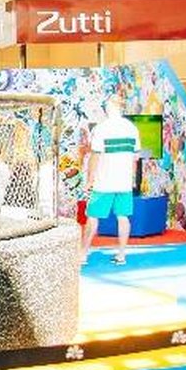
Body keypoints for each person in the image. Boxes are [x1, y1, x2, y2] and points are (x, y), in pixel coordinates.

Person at [80, 97, 143, 265]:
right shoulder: (132, 128)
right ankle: (121, 255)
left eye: (106, 104)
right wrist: (131, 179)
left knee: (92, 217)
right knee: (123, 217)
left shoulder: (102, 128)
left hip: (103, 182)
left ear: (111, 106)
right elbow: (135, 158)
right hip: (124, 183)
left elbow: (95, 156)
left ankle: (83, 254)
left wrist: (90, 180)